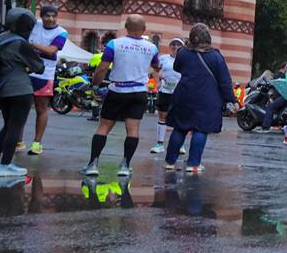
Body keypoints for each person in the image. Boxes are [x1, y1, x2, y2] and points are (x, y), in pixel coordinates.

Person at [83, 14, 157, 178]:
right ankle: (125, 166)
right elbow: (156, 66)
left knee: (104, 127)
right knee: (133, 130)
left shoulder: (114, 44)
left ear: (125, 26)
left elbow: (102, 68)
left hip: (118, 91)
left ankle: (93, 164)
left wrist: (95, 83)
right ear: (144, 29)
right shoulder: (152, 48)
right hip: (139, 92)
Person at [162, 24, 236, 174]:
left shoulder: (183, 53)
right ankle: (193, 164)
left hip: (184, 95)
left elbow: (177, 67)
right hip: (207, 98)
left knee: (180, 128)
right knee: (200, 129)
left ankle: (169, 161)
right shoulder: (216, 56)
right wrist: (231, 99)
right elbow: (224, 81)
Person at [0, 9, 43, 178]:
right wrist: (26, 66)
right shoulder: (21, 43)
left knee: (7, 126)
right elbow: (39, 66)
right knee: (15, 127)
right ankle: (5, 164)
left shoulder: (1, 38)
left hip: (2, 89)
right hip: (21, 89)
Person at [23, 3, 68, 156]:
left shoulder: (62, 33)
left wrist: (31, 45)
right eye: (47, 16)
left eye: (53, 16)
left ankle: (36, 143)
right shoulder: (34, 26)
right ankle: (18, 141)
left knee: (41, 109)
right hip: (27, 72)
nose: (50, 19)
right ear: (41, 17)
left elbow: (51, 50)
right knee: (21, 108)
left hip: (44, 74)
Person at [149, 38, 185, 155]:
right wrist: (157, 82)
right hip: (165, 91)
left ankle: (180, 145)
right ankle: (159, 144)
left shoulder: (186, 60)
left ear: (182, 47)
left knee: (179, 118)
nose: (175, 47)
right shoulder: (164, 58)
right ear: (170, 46)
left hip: (180, 93)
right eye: (173, 44)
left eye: (178, 45)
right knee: (162, 116)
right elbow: (155, 69)